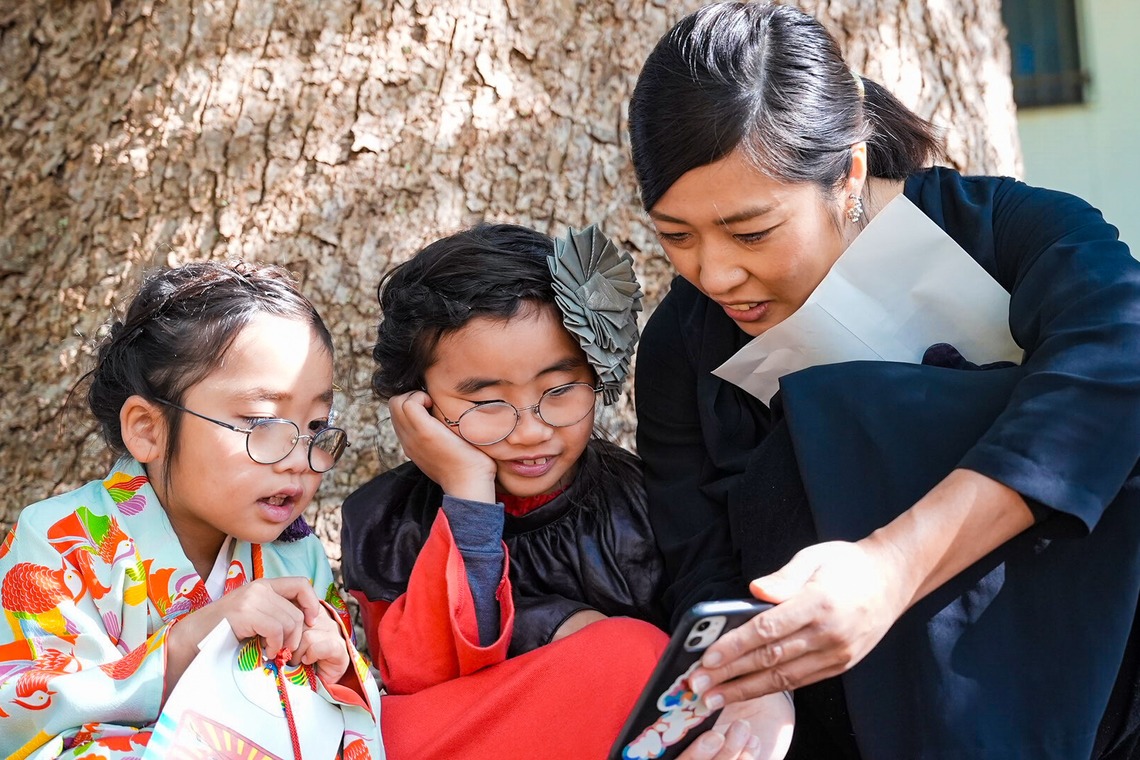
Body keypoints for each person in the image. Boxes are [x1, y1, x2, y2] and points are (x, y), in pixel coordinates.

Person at [627, 3, 1140, 759]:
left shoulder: (1013, 234)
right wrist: (758, 678)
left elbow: (1118, 360)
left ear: (850, 172)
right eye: (675, 235)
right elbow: (697, 553)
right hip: (852, 719)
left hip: (1096, 678)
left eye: (751, 231)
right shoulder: (681, 343)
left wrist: (891, 569)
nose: (714, 272)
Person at [340, 222, 795, 760]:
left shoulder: (642, 503)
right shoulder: (386, 521)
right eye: (486, 402)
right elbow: (423, 674)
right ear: (420, 405)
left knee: (635, 658)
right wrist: (468, 493)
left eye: (559, 389)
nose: (532, 430)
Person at [0, 261, 383, 759]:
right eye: (262, 422)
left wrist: (340, 671)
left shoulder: (299, 554)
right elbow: (21, 720)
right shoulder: (59, 541)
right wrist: (189, 644)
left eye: (315, 427)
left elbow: (333, 731)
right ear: (147, 429)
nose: (299, 460)